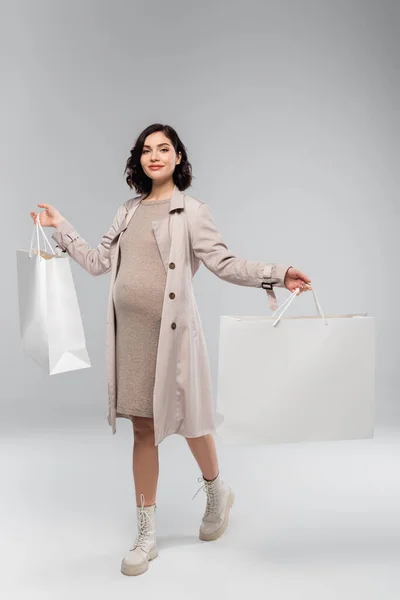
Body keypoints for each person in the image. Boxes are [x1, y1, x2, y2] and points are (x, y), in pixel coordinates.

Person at [30, 123, 311, 577]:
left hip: (173, 337)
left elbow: (225, 262)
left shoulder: (192, 212)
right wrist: (60, 226)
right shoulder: (128, 210)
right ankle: (147, 534)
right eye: (146, 150)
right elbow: (99, 263)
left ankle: (218, 491)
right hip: (132, 338)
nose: (154, 156)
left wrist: (278, 272)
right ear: (139, 160)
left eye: (164, 149)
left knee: (192, 423)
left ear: (178, 157)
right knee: (144, 429)